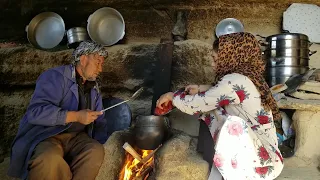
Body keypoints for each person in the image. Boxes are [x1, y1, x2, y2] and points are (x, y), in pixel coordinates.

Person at [156, 32, 284, 180]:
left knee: (229, 122)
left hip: (260, 166)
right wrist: (200, 88)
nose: (212, 64)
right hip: (268, 158)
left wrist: (172, 97)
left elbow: (197, 104)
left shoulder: (233, 80)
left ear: (231, 58)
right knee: (215, 108)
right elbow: (223, 92)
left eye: (215, 59)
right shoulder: (248, 77)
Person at [7, 40, 121, 180]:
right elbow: (35, 112)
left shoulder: (93, 88)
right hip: (47, 135)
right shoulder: (54, 77)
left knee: (95, 151)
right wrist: (75, 116)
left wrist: (103, 143)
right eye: (98, 62)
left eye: (102, 64)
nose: (101, 69)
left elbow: (100, 121)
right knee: (49, 159)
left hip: (77, 138)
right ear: (84, 59)